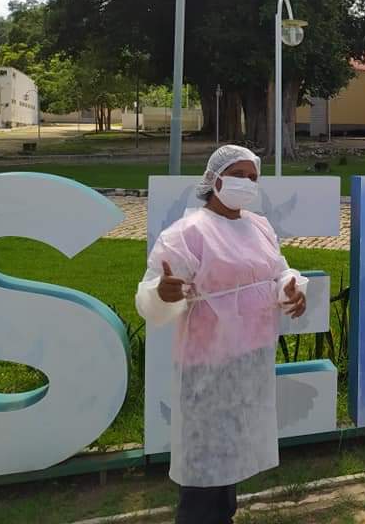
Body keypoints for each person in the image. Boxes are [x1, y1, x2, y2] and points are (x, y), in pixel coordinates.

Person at [135, 145, 308, 524]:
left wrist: (292, 289)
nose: (247, 182)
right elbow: (150, 294)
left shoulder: (258, 225)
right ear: (214, 179)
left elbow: (277, 272)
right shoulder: (187, 233)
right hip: (207, 365)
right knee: (202, 474)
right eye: (238, 174)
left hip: (251, 360)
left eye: (253, 177)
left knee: (228, 464)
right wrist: (161, 293)